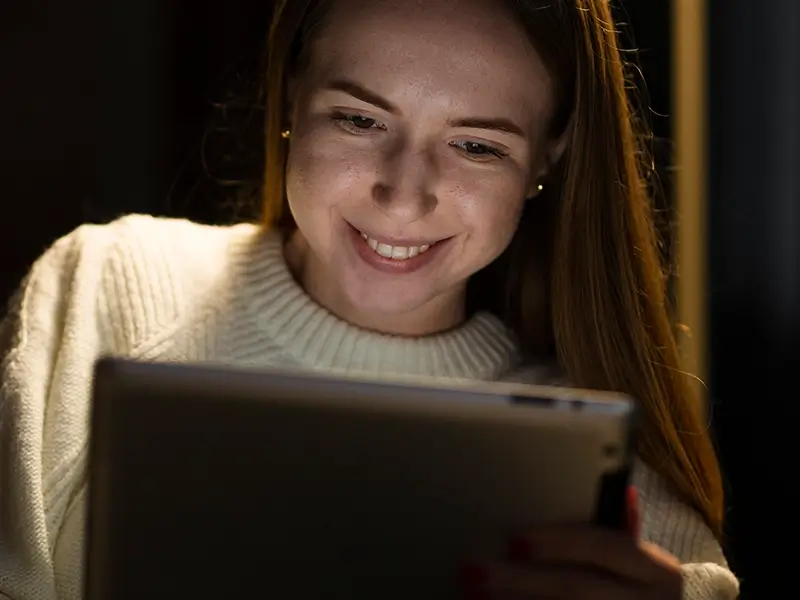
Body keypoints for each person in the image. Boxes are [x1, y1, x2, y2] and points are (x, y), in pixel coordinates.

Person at [0, 0, 739, 598]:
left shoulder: (597, 461)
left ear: (548, 158)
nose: (403, 195)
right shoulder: (110, 281)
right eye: (360, 120)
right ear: (292, 96)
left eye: (477, 146)